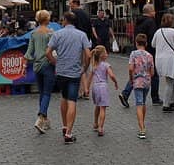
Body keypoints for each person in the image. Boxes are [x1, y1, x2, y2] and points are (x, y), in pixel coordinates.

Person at [45, 11, 91, 144]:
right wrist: (84, 68)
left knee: (64, 97)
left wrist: (55, 62)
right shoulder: (81, 35)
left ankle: (64, 125)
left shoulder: (57, 34)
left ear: (65, 20)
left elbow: (47, 52)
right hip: (74, 72)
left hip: (61, 71)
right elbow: (88, 55)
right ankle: (69, 133)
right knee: (72, 101)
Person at [119, 4, 160, 107]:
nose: (155, 13)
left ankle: (125, 93)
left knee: (136, 73)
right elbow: (152, 38)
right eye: (153, 11)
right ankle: (155, 98)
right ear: (150, 12)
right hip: (148, 51)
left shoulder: (138, 21)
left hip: (137, 50)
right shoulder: (151, 22)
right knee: (154, 74)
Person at [24, 9, 55, 134]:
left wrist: (25, 63)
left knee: (42, 92)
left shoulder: (34, 33)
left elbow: (29, 51)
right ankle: (41, 117)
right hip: (48, 65)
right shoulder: (51, 33)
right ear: (47, 19)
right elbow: (54, 50)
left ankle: (45, 119)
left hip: (37, 66)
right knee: (47, 93)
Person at [152, 13, 174, 112]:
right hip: (170, 59)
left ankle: (172, 101)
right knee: (170, 81)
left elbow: (153, 44)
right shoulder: (173, 32)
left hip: (159, 59)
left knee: (170, 80)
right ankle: (166, 104)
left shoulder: (158, 31)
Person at [128, 33, 155, 139]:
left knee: (139, 103)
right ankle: (142, 122)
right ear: (146, 43)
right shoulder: (149, 56)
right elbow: (152, 72)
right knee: (143, 102)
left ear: (136, 43)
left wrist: (131, 78)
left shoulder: (133, 54)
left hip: (137, 81)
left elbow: (131, 68)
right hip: (147, 81)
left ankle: (142, 128)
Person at [89, 45, 119, 137]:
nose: (107, 54)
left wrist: (87, 88)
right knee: (103, 108)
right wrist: (115, 82)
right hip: (103, 87)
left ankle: (95, 123)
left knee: (97, 106)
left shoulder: (94, 65)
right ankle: (100, 128)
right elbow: (111, 75)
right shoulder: (106, 65)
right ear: (102, 55)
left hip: (95, 87)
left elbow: (89, 78)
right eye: (106, 53)